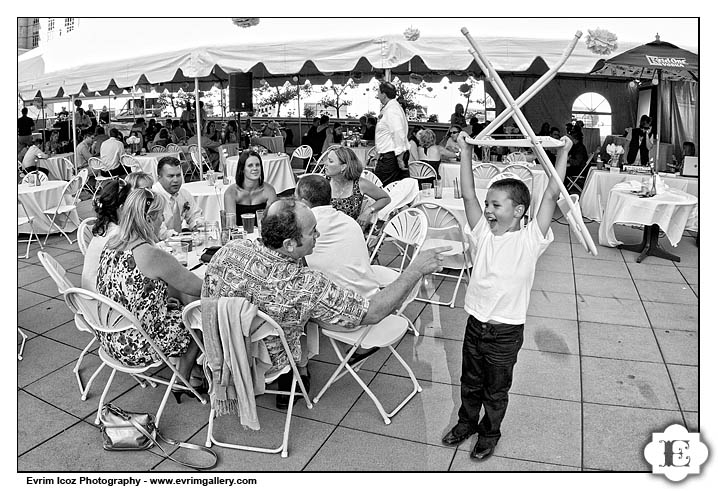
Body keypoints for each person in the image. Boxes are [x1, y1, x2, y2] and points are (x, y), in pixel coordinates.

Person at [202, 197, 449, 408]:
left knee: (305, 313)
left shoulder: (230, 249)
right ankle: (296, 375)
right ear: (289, 244)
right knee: (313, 315)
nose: (317, 235)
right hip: (267, 362)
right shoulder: (308, 284)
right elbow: (372, 313)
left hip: (222, 347)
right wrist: (414, 270)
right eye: (312, 232)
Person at [441, 131, 572, 461]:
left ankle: (490, 432)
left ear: (518, 211)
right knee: (470, 382)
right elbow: (469, 195)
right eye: (489, 204)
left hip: (505, 332)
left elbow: (551, 194)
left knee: (495, 390)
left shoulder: (530, 240)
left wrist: (563, 153)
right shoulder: (482, 234)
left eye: (496, 205)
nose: (488, 209)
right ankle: (467, 422)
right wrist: (466, 150)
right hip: (475, 326)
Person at [97, 188, 205, 402]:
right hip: (136, 345)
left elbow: (128, 291)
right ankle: (183, 380)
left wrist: (160, 300)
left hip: (109, 336)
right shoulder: (150, 254)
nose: (163, 221)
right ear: (148, 218)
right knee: (197, 318)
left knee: (178, 306)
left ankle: (193, 373)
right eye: (160, 216)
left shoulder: (112, 243)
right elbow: (199, 288)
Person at [296, 175, 384, 298]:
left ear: (304, 203)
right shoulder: (349, 221)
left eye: (296, 199)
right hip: (371, 294)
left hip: (341, 303)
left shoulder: (305, 227)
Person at [81, 178, 131, 291]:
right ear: (122, 208)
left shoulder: (105, 226)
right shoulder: (118, 235)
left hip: (90, 291)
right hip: (101, 297)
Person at [325, 145, 390, 227]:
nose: (325, 163)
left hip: (349, 231)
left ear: (343, 167)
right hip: (325, 230)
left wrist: (368, 210)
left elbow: (385, 198)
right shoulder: (323, 182)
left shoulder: (359, 184)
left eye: (330, 161)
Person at [152, 156, 204, 236]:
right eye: (171, 176)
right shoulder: (153, 197)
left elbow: (195, 215)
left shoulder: (184, 194)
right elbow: (159, 232)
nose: (176, 180)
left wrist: (197, 225)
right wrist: (180, 237)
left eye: (178, 175)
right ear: (159, 178)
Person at [374, 82, 410, 186]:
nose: (377, 95)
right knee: (394, 188)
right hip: (389, 154)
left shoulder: (392, 110)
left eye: (378, 92)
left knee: (382, 187)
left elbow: (398, 132)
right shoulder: (390, 107)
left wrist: (399, 157)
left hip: (392, 156)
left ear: (384, 94)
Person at [223, 150, 278, 218]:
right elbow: (231, 223)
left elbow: (272, 220)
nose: (255, 168)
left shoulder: (269, 190)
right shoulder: (231, 193)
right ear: (242, 169)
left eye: (257, 165)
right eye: (250, 166)